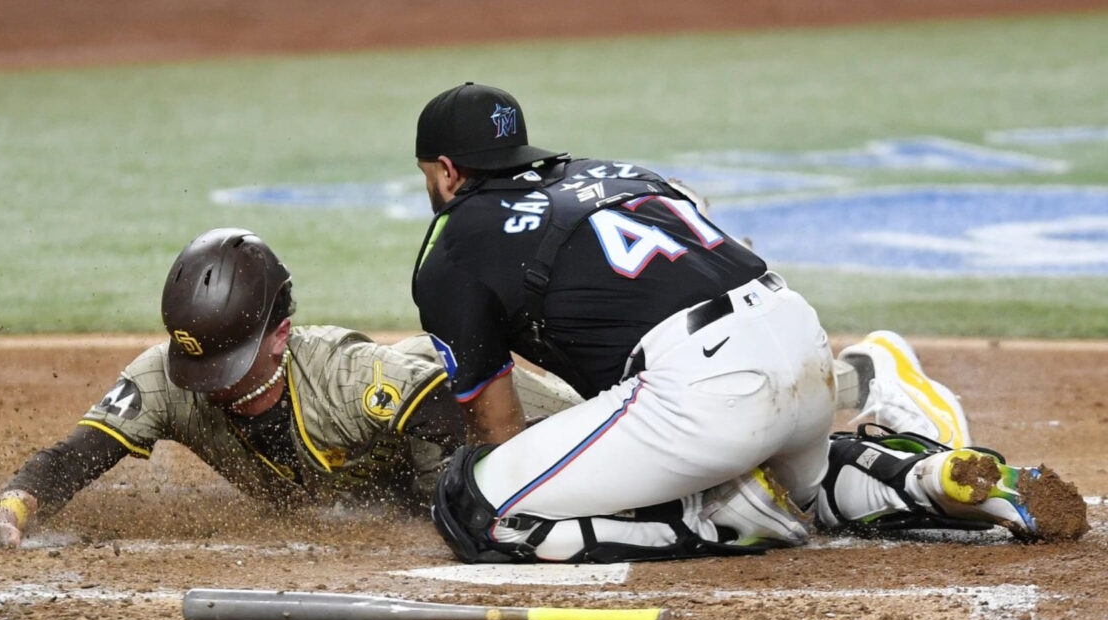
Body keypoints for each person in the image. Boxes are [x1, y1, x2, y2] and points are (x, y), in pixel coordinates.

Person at [410, 83, 1085, 564]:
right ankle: (927, 479)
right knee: (808, 484)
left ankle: (714, 518)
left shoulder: (454, 244)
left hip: (705, 391)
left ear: (445, 171)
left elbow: (497, 429)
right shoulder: (610, 170)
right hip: (800, 340)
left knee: (479, 507)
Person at [0, 227, 581, 551]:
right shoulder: (167, 378)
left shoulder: (339, 374)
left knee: (583, 452)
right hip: (404, 464)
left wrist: (464, 497)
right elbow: (76, 454)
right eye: (202, 369)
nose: (213, 389)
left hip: (484, 404)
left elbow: (450, 408)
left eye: (229, 365)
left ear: (280, 335)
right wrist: (10, 513)